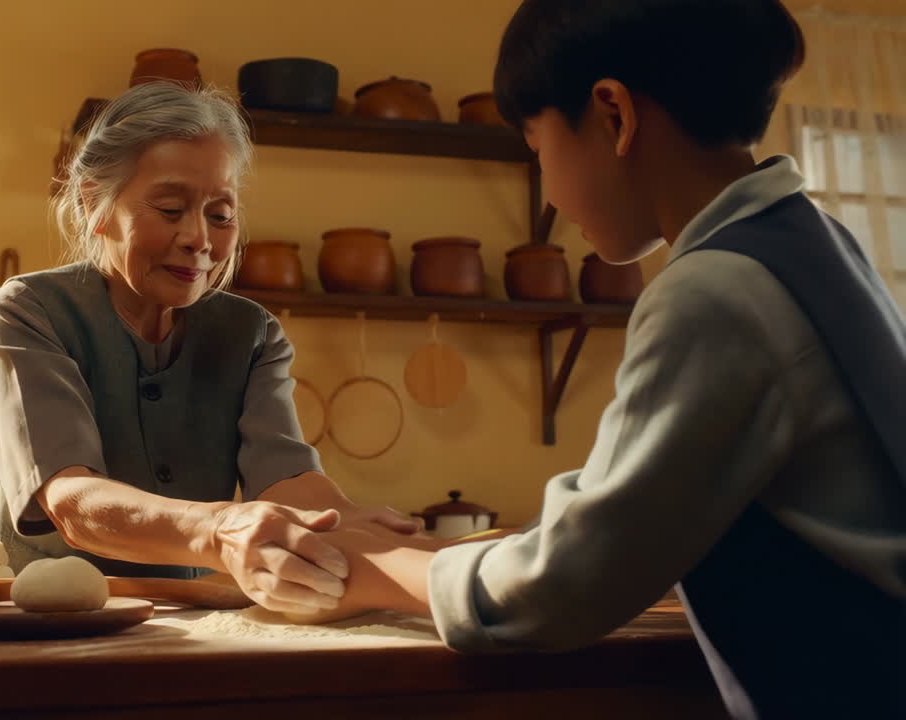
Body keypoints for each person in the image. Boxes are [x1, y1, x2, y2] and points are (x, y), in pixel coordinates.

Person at [325, 1, 906, 717]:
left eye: (538, 147)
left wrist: (373, 569)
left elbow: (565, 586)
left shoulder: (716, 289)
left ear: (612, 114)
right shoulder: (812, 242)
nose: (554, 192)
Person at [0, 82, 420, 614]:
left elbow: (284, 477)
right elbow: (73, 501)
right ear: (96, 204)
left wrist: (345, 523)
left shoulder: (251, 333)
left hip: (183, 617)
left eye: (220, 214)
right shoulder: (29, 311)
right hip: (35, 625)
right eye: (170, 208)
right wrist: (221, 528)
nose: (199, 239)